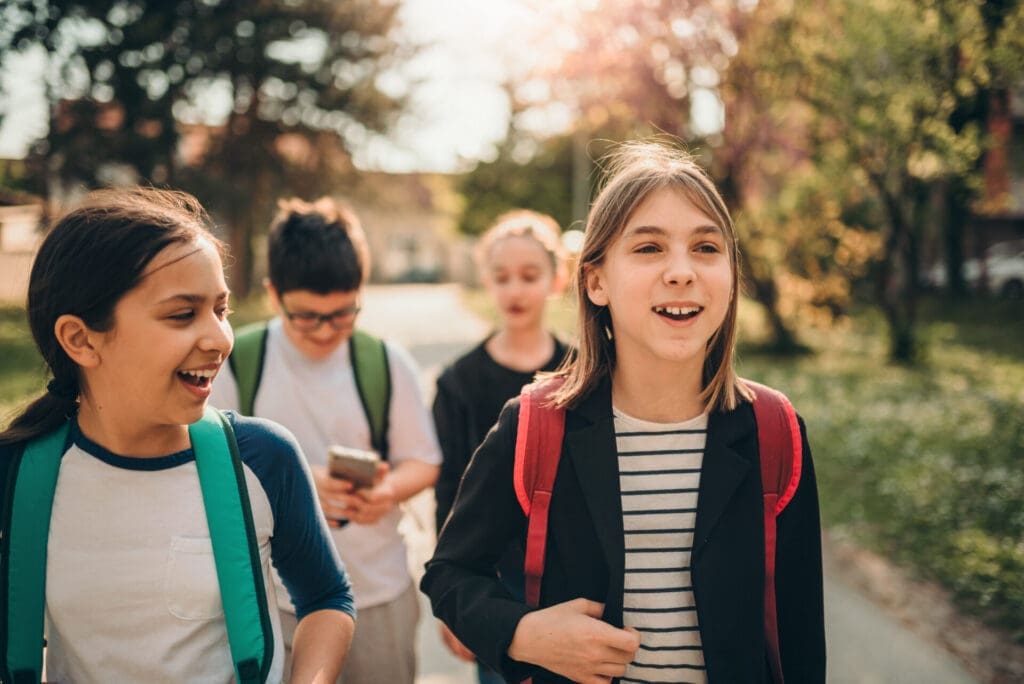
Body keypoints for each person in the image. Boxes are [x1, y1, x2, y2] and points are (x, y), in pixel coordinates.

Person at [421, 142, 826, 683]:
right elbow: (450, 574)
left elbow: (802, 646)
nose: (681, 271)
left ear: (732, 276)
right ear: (596, 281)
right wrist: (523, 633)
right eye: (649, 248)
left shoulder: (776, 432)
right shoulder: (536, 425)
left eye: (706, 247)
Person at [0, 188, 355, 683]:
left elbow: (326, 598)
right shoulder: (17, 476)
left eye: (221, 310)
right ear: (81, 339)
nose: (218, 339)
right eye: (182, 315)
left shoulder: (261, 458)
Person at [209, 197, 441, 684]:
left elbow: (422, 461)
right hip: (272, 599)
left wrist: (386, 492)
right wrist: (301, 480)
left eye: (342, 314)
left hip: (377, 591)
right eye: (308, 317)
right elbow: (208, 466)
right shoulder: (239, 361)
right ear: (274, 295)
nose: (325, 331)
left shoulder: (385, 362)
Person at [431, 209, 572, 683]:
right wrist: (453, 601)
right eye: (502, 277)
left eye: (529, 276)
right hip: (494, 586)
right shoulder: (459, 382)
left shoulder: (586, 370)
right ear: (486, 281)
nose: (515, 290)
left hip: (574, 578)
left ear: (557, 279)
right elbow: (449, 489)